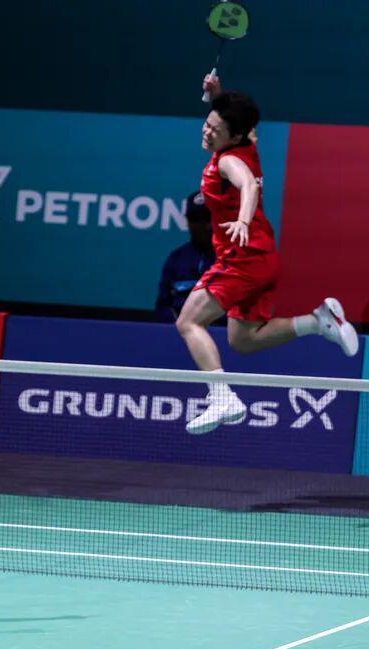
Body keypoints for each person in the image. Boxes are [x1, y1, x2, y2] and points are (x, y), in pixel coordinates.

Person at [175, 83, 359, 435]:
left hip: (241, 259)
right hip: (261, 258)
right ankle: (317, 321)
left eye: (215, 130)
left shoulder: (228, 161)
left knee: (188, 322)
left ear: (235, 136)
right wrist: (217, 94)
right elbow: (236, 118)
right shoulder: (246, 140)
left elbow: (248, 185)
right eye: (207, 124)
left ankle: (221, 397)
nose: (207, 132)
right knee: (242, 341)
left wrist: (242, 221)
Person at [155, 191, 216, 322]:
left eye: (207, 218)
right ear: (188, 222)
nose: (203, 226)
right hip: (179, 331)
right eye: (195, 219)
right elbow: (163, 306)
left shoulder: (234, 258)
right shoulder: (176, 259)